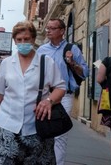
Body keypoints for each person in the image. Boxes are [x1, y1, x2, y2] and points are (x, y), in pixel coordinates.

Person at [0, 21, 66, 164]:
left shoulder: (46, 62)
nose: (23, 43)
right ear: (14, 41)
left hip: (38, 127)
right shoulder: (7, 63)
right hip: (8, 124)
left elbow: (60, 87)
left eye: (27, 39)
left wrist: (49, 101)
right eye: (19, 40)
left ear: (33, 39)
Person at [37, 18, 89, 165]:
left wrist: (72, 63)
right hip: (44, 95)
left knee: (59, 134)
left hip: (64, 96)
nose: (48, 31)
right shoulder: (41, 50)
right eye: (48, 28)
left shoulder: (72, 49)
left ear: (62, 31)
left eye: (52, 28)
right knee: (42, 131)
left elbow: (85, 73)